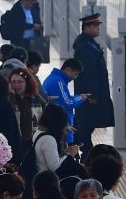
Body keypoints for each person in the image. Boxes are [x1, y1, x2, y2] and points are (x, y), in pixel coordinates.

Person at [73, 14, 115, 153]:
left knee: (85, 127)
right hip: (89, 97)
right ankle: (86, 157)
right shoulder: (86, 47)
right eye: (96, 26)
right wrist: (92, 95)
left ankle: (84, 154)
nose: (98, 29)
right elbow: (89, 72)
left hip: (89, 95)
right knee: (85, 127)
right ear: (87, 27)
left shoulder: (88, 44)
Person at [42, 58, 88, 144]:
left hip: (57, 123)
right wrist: (80, 98)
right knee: (66, 149)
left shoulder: (55, 78)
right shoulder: (58, 81)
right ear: (68, 70)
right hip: (61, 125)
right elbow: (67, 103)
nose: (75, 77)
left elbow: (63, 98)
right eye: (75, 74)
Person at [34, 103, 83, 179]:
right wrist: (70, 154)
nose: (65, 125)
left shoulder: (39, 132)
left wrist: (66, 152)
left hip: (41, 177)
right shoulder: (48, 139)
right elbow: (56, 168)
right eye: (64, 123)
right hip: (47, 181)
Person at [8, 67, 37, 159]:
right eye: (13, 82)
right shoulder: (8, 99)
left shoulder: (35, 99)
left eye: (20, 82)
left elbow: (47, 115)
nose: (16, 85)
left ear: (27, 83)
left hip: (32, 143)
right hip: (14, 144)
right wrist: (11, 95)